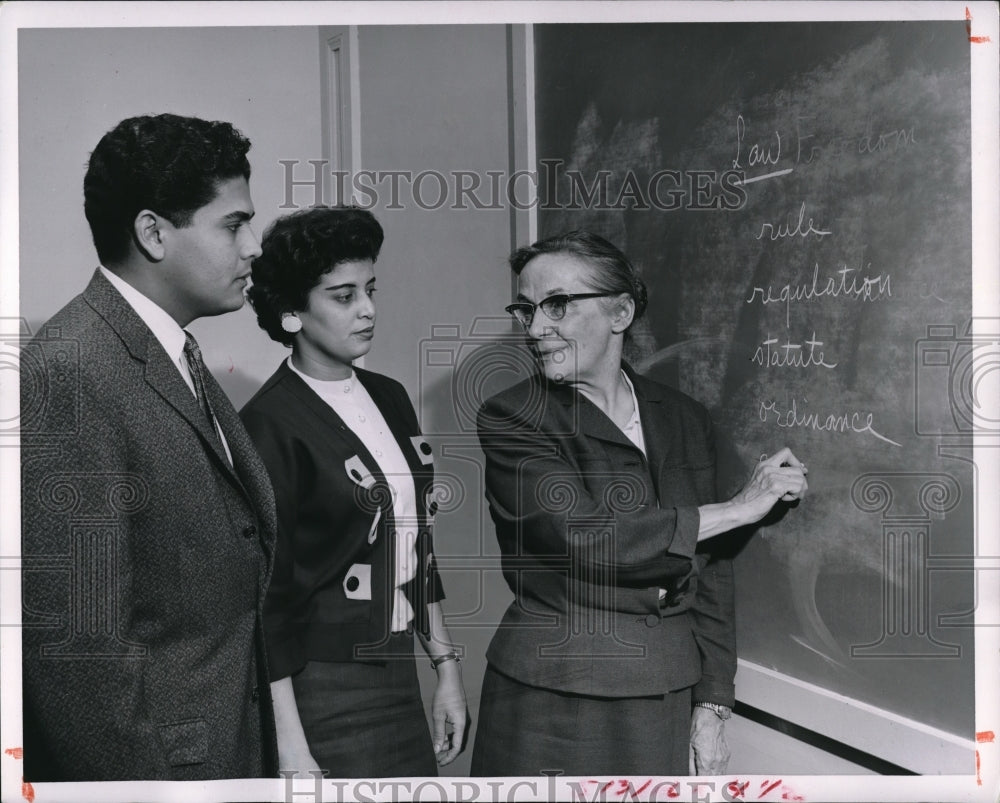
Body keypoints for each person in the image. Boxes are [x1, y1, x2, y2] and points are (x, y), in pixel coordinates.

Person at [471, 231, 808, 776]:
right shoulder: (514, 417)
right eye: (526, 309)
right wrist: (743, 506)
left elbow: (714, 569)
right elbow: (588, 536)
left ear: (620, 311)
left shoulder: (683, 416)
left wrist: (714, 702)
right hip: (553, 697)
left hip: (664, 694)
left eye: (556, 305)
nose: (535, 329)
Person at [20, 114, 278, 780]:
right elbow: (83, 653)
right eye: (233, 224)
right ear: (153, 232)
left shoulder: (173, 355)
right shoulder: (71, 369)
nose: (254, 247)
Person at [240, 206, 468, 778]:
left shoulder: (389, 396)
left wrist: (445, 669)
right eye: (343, 297)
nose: (368, 309)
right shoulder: (267, 425)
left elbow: (417, 546)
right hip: (321, 690)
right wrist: (291, 745)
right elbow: (267, 601)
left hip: (399, 675)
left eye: (370, 289)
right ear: (292, 313)